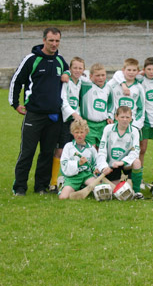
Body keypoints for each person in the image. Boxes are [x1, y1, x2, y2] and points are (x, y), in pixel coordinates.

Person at [9, 27, 69, 196]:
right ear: (44, 40)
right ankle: (19, 187)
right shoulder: (32, 59)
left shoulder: (60, 61)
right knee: (27, 151)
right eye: (51, 40)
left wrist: (66, 73)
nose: (54, 44)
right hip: (34, 114)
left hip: (54, 116)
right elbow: (17, 80)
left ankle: (41, 186)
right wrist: (15, 103)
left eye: (57, 41)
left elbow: (68, 73)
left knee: (47, 153)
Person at [50, 57, 86, 192]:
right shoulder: (66, 81)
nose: (77, 70)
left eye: (80, 68)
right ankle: (53, 182)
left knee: (74, 150)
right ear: (69, 69)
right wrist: (74, 114)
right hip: (65, 120)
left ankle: (69, 180)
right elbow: (63, 101)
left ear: (83, 70)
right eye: (74, 68)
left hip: (76, 121)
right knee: (60, 150)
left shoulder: (82, 81)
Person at [96, 106, 143, 199]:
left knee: (137, 162)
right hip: (112, 166)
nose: (125, 120)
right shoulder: (108, 129)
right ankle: (123, 181)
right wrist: (103, 167)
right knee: (116, 191)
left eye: (127, 117)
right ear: (116, 117)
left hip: (125, 164)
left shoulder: (134, 131)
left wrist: (122, 162)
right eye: (122, 117)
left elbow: (135, 152)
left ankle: (137, 192)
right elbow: (102, 151)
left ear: (131, 118)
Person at [58, 119, 98, 200]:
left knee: (99, 189)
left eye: (82, 132)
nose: (79, 135)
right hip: (73, 177)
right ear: (72, 132)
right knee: (63, 197)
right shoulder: (68, 146)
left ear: (86, 132)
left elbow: (95, 163)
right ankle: (65, 184)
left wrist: (96, 169)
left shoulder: (91, 149)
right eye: (76, 132)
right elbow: (64, 163)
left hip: (87, 175)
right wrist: (78, 163)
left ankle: (82, 187)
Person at [79, 63, 114, 147]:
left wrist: (110, 115)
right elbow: (75, 74)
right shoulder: (86, 85)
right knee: (91, 149)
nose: (101, 78)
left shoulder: (108, 87)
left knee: (101, 150)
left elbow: (111, 103)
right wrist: (67, 73)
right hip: (88, 123)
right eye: (97, 75)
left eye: (103, 75)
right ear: (91, 76)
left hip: (103, 124)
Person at [108, 58, 145, 130]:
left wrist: (136, 124)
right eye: (129, 70)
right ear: (123, 70)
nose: (131, 72)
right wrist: (110, 117)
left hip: (131, 122)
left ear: (138, 72)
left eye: (134, 70)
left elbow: (141, 108)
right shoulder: (114, 84)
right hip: (116, 121)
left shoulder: (139, 88)